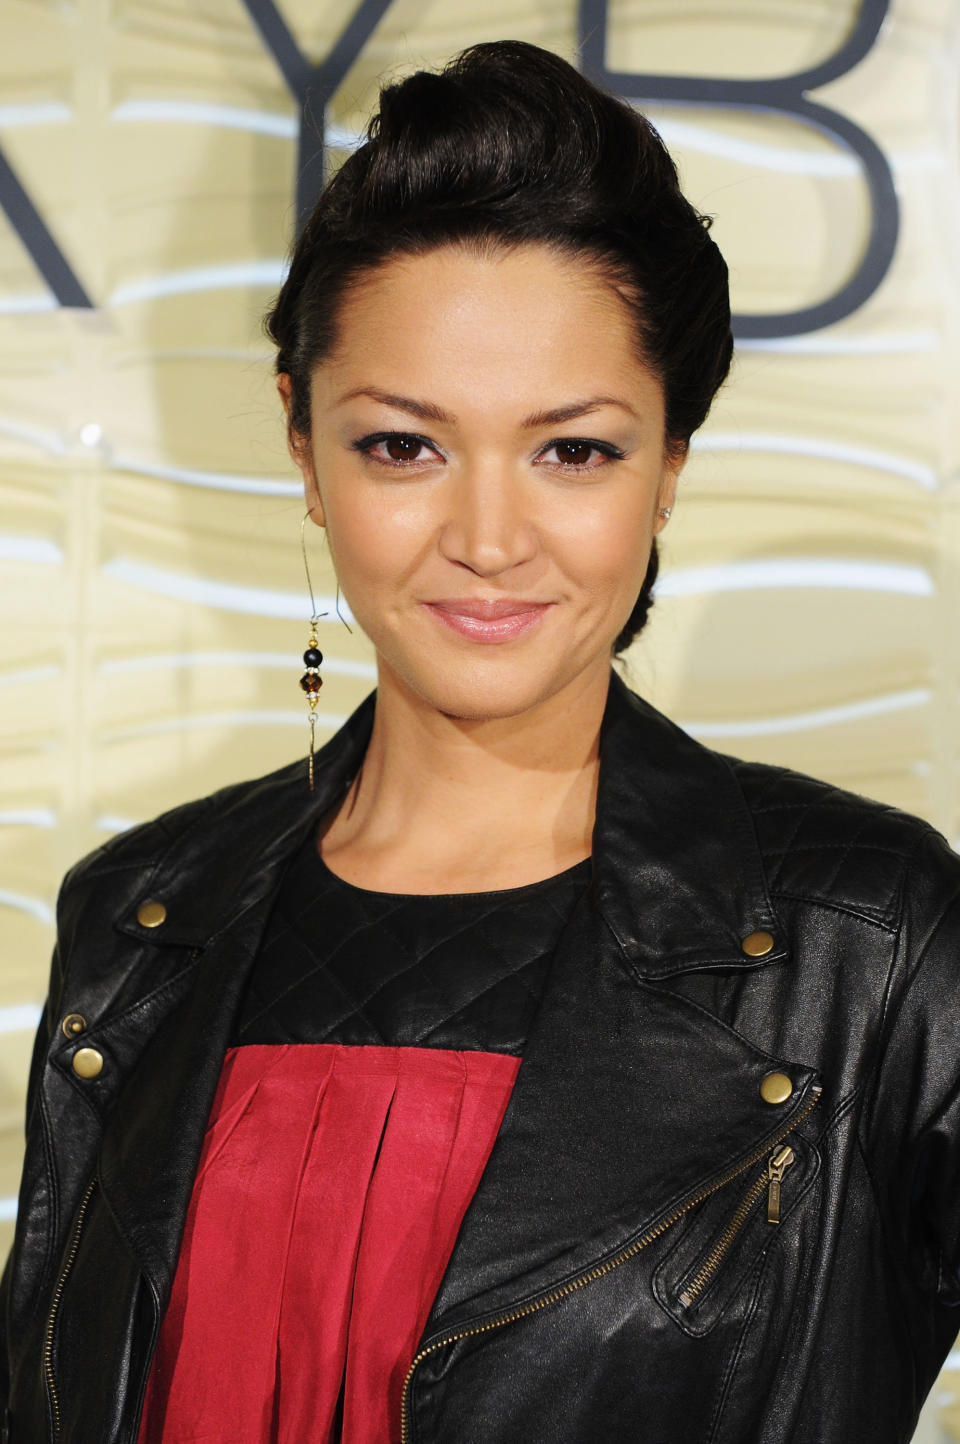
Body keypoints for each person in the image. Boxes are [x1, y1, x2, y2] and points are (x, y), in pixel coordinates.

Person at [1, 36, 959, 1444]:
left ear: (669, 467)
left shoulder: (865, 943)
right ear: (303, 443)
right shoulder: (141, 920)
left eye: (575, 450)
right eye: (404, 445)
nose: (490, 540)